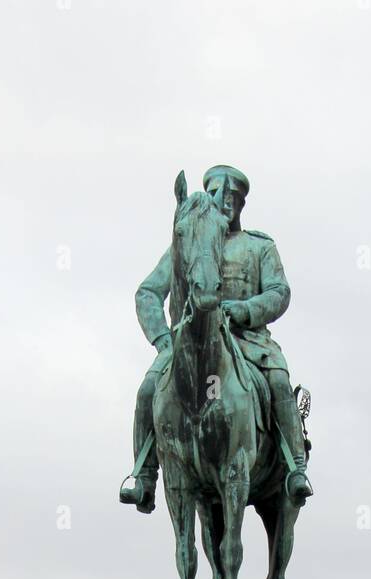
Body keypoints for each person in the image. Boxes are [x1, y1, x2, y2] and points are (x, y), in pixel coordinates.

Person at [121, 164, 312, 514]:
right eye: (216, 194)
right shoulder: (190, 239)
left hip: (249, 342)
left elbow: (279, 292)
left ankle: (295, 467)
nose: (224, 202)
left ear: (241, 204)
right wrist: (163, 339)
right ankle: (145, 476)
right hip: (189, 346)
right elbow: (147, 292)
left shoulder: (258, 246)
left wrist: (244, 310)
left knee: (279, 382)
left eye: (233, 198)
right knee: (148, 389)